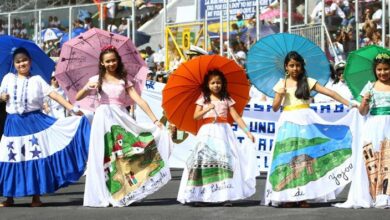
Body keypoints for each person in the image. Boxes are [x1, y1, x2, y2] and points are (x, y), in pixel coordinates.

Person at [79, 45, 173, 207]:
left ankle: (122, 192)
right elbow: (78, 96)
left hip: (120, 117)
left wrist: (155, 120)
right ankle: (103, 194)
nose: (111, 63)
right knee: (103, 155)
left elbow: (140, 100)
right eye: (107, 61)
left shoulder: (124, 80)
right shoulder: (96, 80)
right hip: (102, 118)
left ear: (118, 60)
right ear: (101, 63)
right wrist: (88, 88)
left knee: (125, 153)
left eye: (113, 60)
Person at [264, 51, 358, 208]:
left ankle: (304, 196)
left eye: (298, 65)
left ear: (302, 66)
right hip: (288, 122)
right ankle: (288, 197)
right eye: (291, 65)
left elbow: (331, 92)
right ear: (286, 67)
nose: (295, 68)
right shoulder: (281, 84)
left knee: (306, 155)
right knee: (288, 158)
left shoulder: (308, 81)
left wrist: (348, 103)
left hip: (306, 120)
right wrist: (279, 95)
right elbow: (274, 108)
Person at [0, 47, 89, 207]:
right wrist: (2, 96)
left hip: (34, 123)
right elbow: (1, 95)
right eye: (18, 62)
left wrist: (72, 109)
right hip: (13, 124)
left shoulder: (37, 80)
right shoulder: (7, 78)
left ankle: (36, 197)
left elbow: (54, 95)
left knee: (35, 157)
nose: (22, 64)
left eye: (24, 60)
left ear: (30, 62)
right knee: (10, 157)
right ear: (14, 64)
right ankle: (9, 197)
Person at [177, 69, 257, 206]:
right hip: (207, 131)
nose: (216, 85)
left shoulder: (226, 99)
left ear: (223, 84)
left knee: (225, 161)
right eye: (213, 83)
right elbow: (196, 116)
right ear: (207, 85)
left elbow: (236, 116)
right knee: (202, 160)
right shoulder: (203, 98)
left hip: (223, 131)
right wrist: (207, 109)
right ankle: (199, 196)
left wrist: (247, 132)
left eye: (218, 82)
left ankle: (225, 195)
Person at [335, 53, 390, 208]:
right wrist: (364, 101)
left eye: (386, 69)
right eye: (380, 69)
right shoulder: (370, 86)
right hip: (374, 125)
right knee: (375, 159)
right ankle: (375, 194)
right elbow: (362, 112)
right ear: (375, 70)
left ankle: (386, 195)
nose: (383, 73)